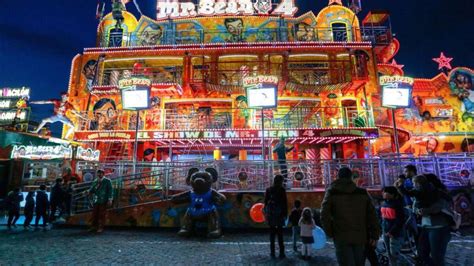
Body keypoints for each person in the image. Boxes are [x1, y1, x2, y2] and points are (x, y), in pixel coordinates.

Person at [320, 167, 381, 266]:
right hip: (360, 235)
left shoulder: (332, 192)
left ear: (338, 177)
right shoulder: (362, 192)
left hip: (340, 235)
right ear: (351, 177)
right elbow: (372, 214)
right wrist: (375, 233)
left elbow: (324, 214)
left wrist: (330, 232)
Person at [264, 175, 288, 259]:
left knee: (272, 235)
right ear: (281, 181)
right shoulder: (282, 190)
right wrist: (285, 214)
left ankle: (272, 253)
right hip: (280, 215)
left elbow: (265, 203)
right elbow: (284, 203)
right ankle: (282, 253)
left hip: (271, 215)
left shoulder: (269, 190)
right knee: (280, 235)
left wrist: (266, 214)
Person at [381, 186, 405, 265]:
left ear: (393, 194)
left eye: (386, 192)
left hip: (395, 232)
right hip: (386, 230)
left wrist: (392, 231)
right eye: (384, 192)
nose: (384, 193)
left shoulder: (397, 204)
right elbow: (382, 218)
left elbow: (400, 220)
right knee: (389, 252)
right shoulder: (384, 203)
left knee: (394, 253)